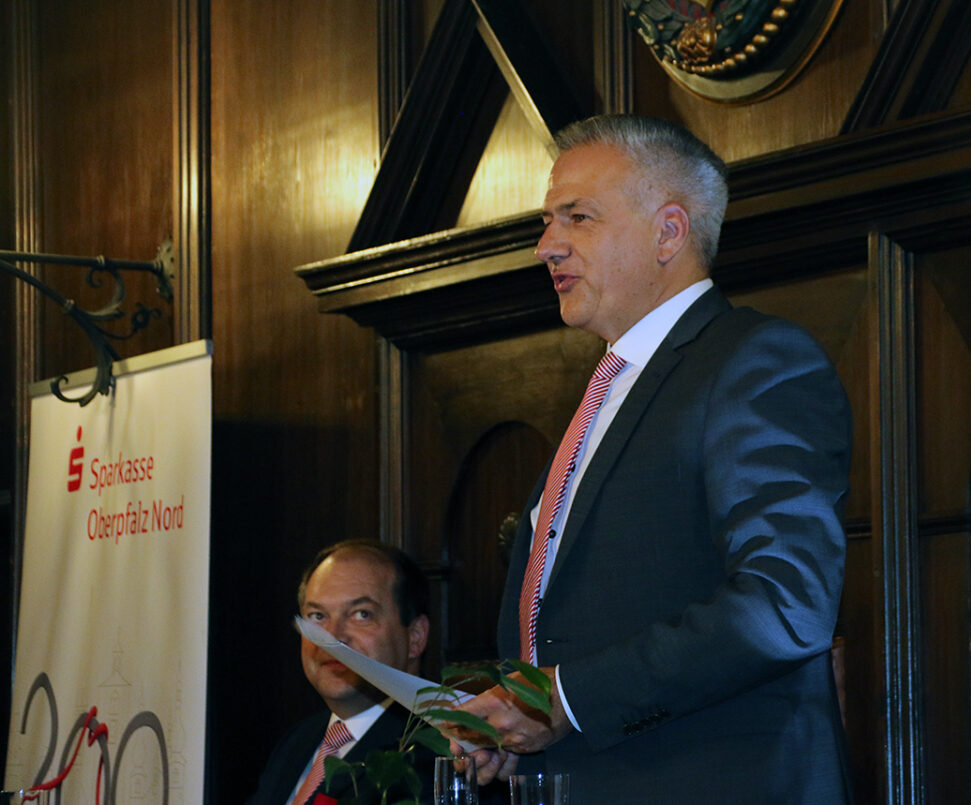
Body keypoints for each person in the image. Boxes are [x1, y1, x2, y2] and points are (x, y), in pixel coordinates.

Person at [451, 115, 854, 804]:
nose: (547, 245)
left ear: (669, 232)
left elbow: (786, 603)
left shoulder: (753, 360)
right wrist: (516, 723)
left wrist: (567, 700)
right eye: (547, 221)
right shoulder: (609, 391)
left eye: (577, 217)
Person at [246, 539, 434, 804]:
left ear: (415, 637)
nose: (332, 638)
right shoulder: (296, 742)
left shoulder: (442, 749)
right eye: (317, 616)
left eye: (361, 614)